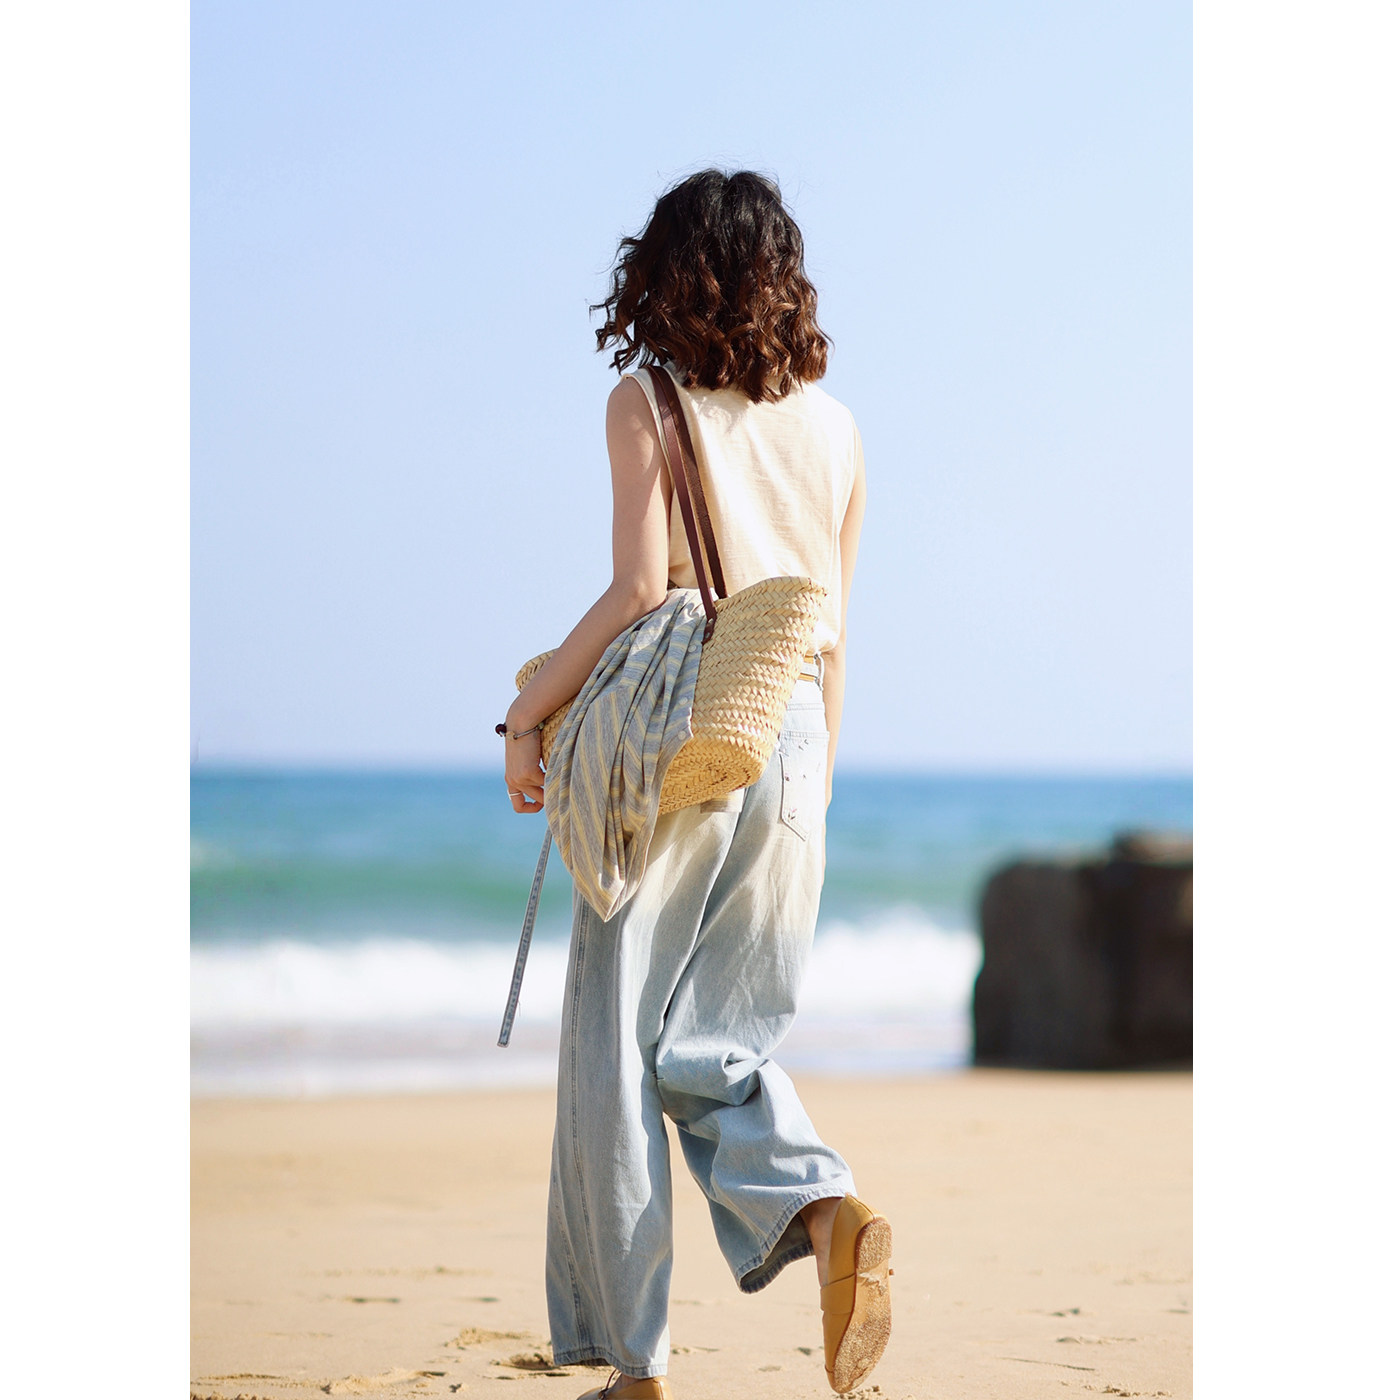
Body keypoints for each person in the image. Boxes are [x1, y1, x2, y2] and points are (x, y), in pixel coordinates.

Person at [500, 169, 889, 1400]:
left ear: (665, 273)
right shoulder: (837, 429)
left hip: (684, 738)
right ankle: (824, 1209)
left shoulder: (645, 400)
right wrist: (815, 792)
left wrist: (528, 712)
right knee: (714, 1044)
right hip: (797, 737)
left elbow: (638, 590)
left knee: (617, 1047)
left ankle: (637, 1364)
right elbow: (835, 633)